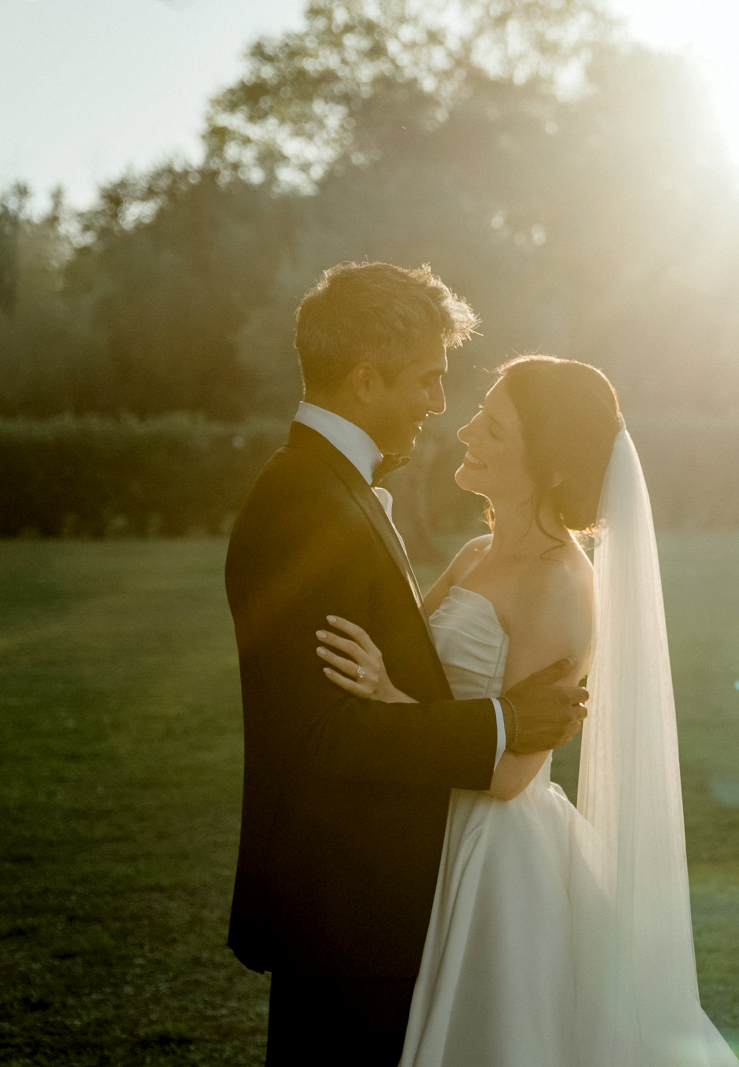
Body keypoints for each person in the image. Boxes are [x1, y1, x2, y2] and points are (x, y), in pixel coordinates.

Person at [317, 356, 739, 1066]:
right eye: (479, 415)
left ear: (547, 467)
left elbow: (514, 771)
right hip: (424, 815)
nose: (465, 432)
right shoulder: (475, 554)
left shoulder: (559, 584)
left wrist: (387, 696)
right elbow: (414, 666)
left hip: (493, 854)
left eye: (494, 428)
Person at [223, 262, 588, 1066]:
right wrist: (500, 722)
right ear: (364, 379)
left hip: (397, 894)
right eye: (427, 379)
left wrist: (409, 696)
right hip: (346, 907)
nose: (438, 404)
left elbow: (390, 684)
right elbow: (321, 735)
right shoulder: (301, 508)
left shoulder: (333, 492)